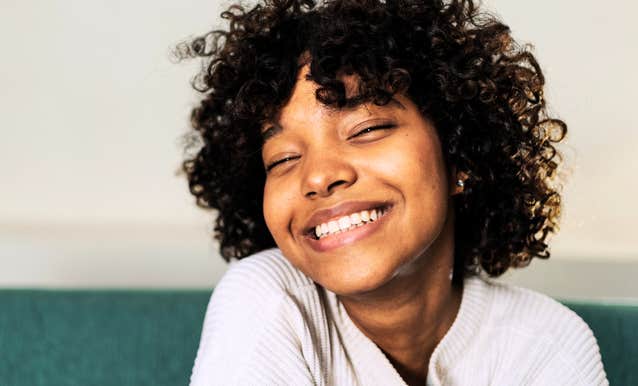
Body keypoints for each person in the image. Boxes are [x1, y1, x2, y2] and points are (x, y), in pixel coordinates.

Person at [179, 0, 608, 384]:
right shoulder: (267, 300)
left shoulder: (546, 343)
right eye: (282, 159)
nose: (318, 176)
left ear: (460, 158)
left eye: (367, 129)